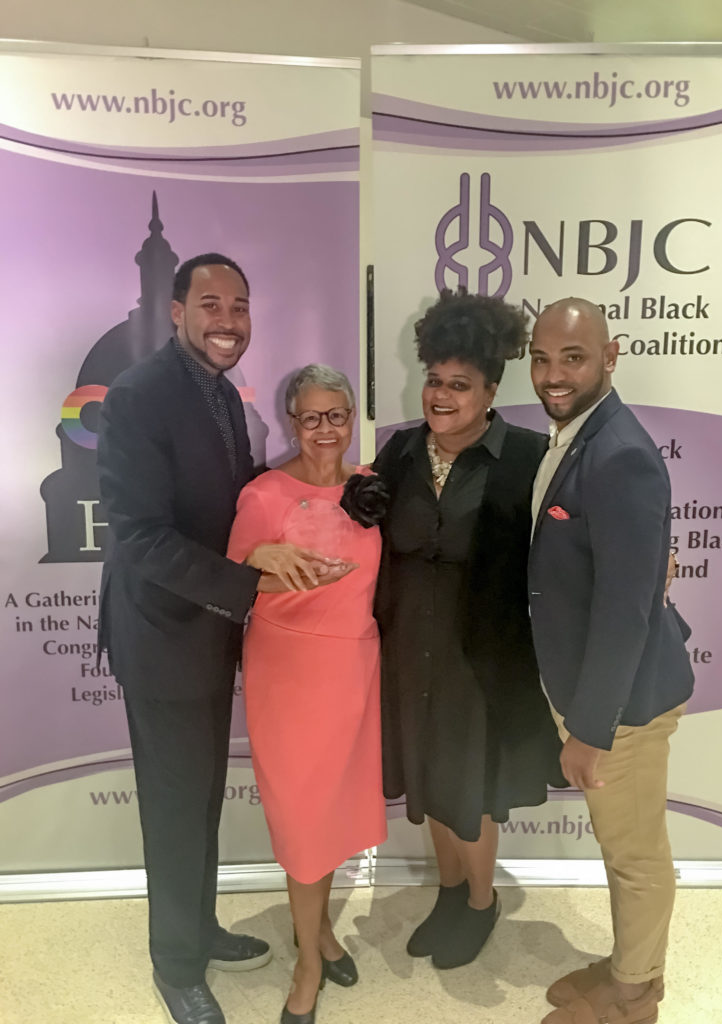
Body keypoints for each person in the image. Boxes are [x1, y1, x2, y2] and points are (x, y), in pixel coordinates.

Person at [97, 254, 343, 1024]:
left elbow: (240, 506)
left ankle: (198, 930)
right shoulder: (138, 396)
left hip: (208, 636)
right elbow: (139, 536)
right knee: (175, 807)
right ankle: (176, 965)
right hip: (163, 639)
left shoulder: (225, 395)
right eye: (211, 304)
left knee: (200, 799)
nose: (228, 320)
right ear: (176, 311)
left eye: (240, 305)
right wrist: (248, 583)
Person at [373, 288, 565, 971]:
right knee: (429, 781)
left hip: (478, 661)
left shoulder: (527, 458)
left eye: (460, 385)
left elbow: (576, 539)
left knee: (470, 791)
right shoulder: (399, 453)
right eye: (435, 380)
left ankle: (481, 903)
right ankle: (450, 894)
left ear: (490, 392)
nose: (441, 395)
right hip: (408, 655)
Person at [527, 298, 695, 1024]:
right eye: (541, 359)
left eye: (573, 358)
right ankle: (629, 964)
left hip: (624, 705)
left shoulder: (620, 453)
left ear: (610, 355)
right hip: (599, 691)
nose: (553, 375)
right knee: (620, 840)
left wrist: (590, 729)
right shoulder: (577, 434)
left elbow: (626, 610)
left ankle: (635, 996)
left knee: (635, 853)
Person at [227, 364, 387, 1024]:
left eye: (337, 415)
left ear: (351, 419)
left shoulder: (369, 487)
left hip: (353, 672)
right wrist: (270, 568)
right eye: (311, 417)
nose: (325, 429)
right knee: (302, 820)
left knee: (332, 816)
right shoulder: (264, 494)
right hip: (288, 676)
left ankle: (317, 933)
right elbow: (230, 583)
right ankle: (308, 964)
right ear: (291, 422)